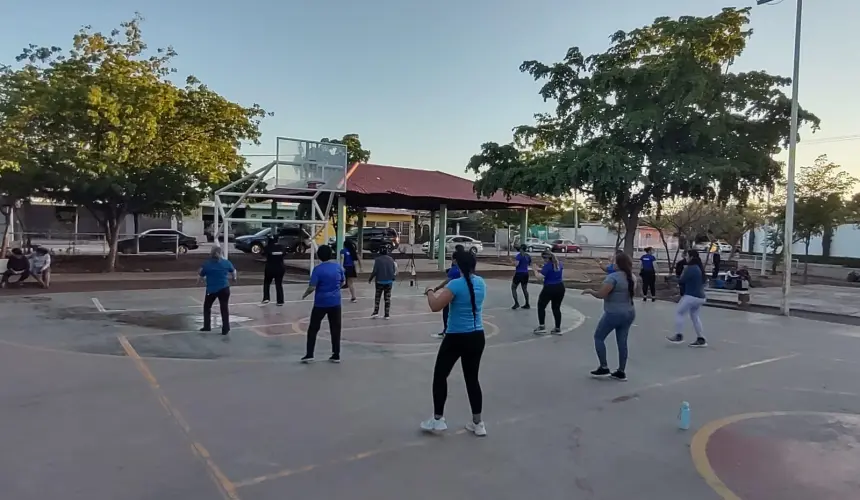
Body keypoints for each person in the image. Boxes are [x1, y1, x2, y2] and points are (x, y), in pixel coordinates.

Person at [420, 250, 488, 436]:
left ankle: (438, 419)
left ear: (458, 265)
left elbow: (435, 306)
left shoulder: (455, 284)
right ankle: (478, 423)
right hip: (477, 336)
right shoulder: (481, 283)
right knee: (472, 379)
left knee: (440, 375)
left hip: (456, 336)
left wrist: (430, 291)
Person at [583, 252, 636, 381]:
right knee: (622, 342)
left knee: (599, 337)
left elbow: (601, 294)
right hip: (629, 311)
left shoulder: (612, 278)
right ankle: (621, 371)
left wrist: (590, 291)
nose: (612, 264)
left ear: (618, 264)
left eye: (614, 262)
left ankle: (604, 366)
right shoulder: (632, 277)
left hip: (613, 313)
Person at [301, 245, 345, 363]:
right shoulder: (338, 267)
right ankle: (336, 354)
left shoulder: (318, 269)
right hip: (335, 302)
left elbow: (312, 287)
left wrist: (305, 294)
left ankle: (310, 354)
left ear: (319, 256)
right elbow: (343, 282)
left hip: (321, 303)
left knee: (313, 328)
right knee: (335, 328)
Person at [667, 249, 708, 348]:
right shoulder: (699, 268)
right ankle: (701, 339)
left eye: (687, 256)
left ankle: (678, 335)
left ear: (691, 257)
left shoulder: (690, 268)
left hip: (691, 296)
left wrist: (672, 278)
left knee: (679, 313)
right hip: (700, 297)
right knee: (695, 317)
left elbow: (682, 280)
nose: (686, 257)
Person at [198, 245, 237, 335]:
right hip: (224, 288)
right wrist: (234, 278)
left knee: (207, 307)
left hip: (211, 289)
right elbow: (233, 271)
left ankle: (207, 326)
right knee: (224, 308)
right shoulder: (226, 263)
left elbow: (201, 274)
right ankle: (225, 328)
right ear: (221, 253)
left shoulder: (207, 264)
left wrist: (200, 280)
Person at [430, 245, 466, 339]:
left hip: (453, 293)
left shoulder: (454, 271)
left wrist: (436, 288)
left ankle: (447, 331)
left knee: (446, 311)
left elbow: (448, 280)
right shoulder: (466, 271)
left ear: (454, 260)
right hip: (463, 294)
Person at [533, 251, 565, 335]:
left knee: (541, 306)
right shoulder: (559, 264)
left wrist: (535, 270)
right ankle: (557, 328)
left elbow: (539, 277)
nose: (543, 261)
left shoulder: (547, 266)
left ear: (546, 258)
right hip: (560, 287)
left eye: (543, 259)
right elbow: (552, 271)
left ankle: (542, 326)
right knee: (556, 308)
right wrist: (542, 269)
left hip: (549, 288)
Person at [368, 245, 397, 319]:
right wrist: (393, 278)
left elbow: (375, 271)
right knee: (387, 298)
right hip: (389, 281)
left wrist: (370, 279)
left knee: (377, 297)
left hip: (379, 281)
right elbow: (393, 270)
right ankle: (387, 314)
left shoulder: (377, 260)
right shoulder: (391, 259)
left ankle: (376, 312)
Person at [261, 235, 286, 306]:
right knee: (279, 284)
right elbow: (285, 254)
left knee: (267, 283)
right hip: (280, 268)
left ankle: (266, 298)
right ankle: (280, 301)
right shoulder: (282, 247)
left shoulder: (268, 247)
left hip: (270, 268)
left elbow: (263, 254)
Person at [511, 245, 531, 310]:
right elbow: (529, 263)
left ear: (521, 249)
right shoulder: (528, 256)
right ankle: (527, 303)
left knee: (513, 287)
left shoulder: (519, 256)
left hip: (519, 273)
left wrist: (512, 262)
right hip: (526, 273)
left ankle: (516, 303)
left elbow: (517, 264)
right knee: (524, 289)